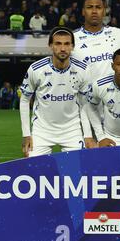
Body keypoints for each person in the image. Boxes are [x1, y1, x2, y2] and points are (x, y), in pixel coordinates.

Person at [72, 0, 120, 148]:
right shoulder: (72, 39)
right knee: (85, 157)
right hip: (83, 109)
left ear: (105, 11)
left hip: (116, 108)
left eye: (98, 7)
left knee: (117, 158)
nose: (94, 11)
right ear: (83, 11)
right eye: (90, 7)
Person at [19, 27, 90, 157]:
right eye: (58, 43)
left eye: (67, 44)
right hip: (42, 130)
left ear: (72, 46)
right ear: (50, 45)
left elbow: (85, 104)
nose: (62, 48)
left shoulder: (83, 69)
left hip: (72, 130)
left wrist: (88, 135)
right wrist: (26, 135)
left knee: (77, 173)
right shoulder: (36, 69)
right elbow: (24, 100)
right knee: (35, 172)